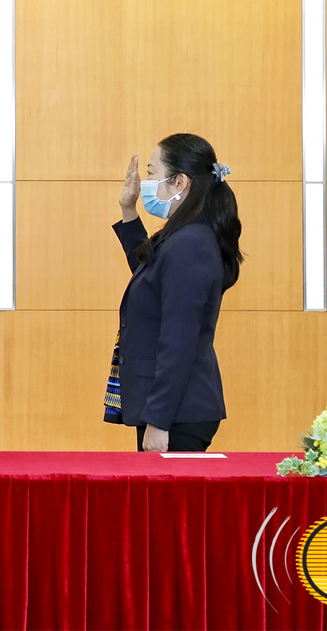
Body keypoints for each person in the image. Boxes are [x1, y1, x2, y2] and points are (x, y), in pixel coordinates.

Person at [110, 133, 242, 452]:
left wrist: (159, 421)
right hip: (172, 409)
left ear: (179, 182)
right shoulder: (183, 235)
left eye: (151, 173)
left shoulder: (190, 242)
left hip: (177, 413)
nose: (145, 183)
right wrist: (128, 210)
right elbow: (149, 275)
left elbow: (179, 339)